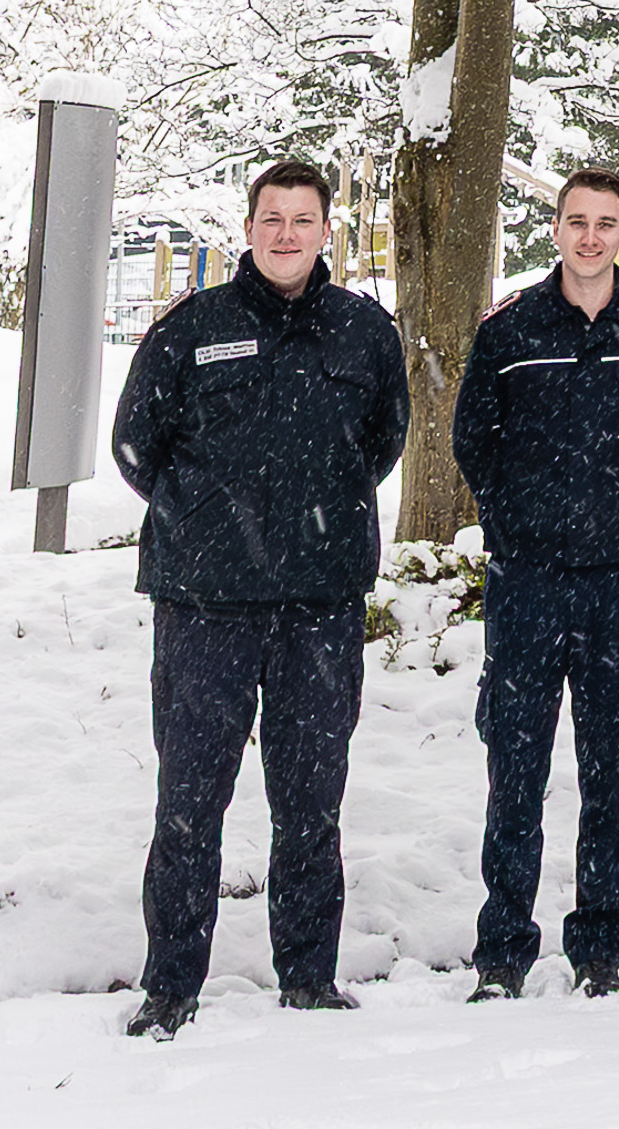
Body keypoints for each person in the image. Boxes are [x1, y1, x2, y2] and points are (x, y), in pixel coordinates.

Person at [110, 158, 410, 1040]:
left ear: (326, 232)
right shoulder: (192, 329)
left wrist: (317, 518)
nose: (286, 234)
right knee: (190, 800)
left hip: (320, 604)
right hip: (206, 605)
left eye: (302, 220)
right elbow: (137, 445)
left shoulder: (363, 332)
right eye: (272, 219)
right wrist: (207, 521)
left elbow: (382, 441)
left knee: (311, 800)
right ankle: (171, 986)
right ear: (248, 229)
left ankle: (308, 978)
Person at [451, 166, 619, 999]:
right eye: (577, 221)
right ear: (555, 228)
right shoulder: (511, 329)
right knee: (516, 769)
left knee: (610, 771)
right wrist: (515, 524)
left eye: (606, 223)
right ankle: (502, 951)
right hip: (527, 581)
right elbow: (474, 441)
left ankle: (599, 950)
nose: (590, 237)